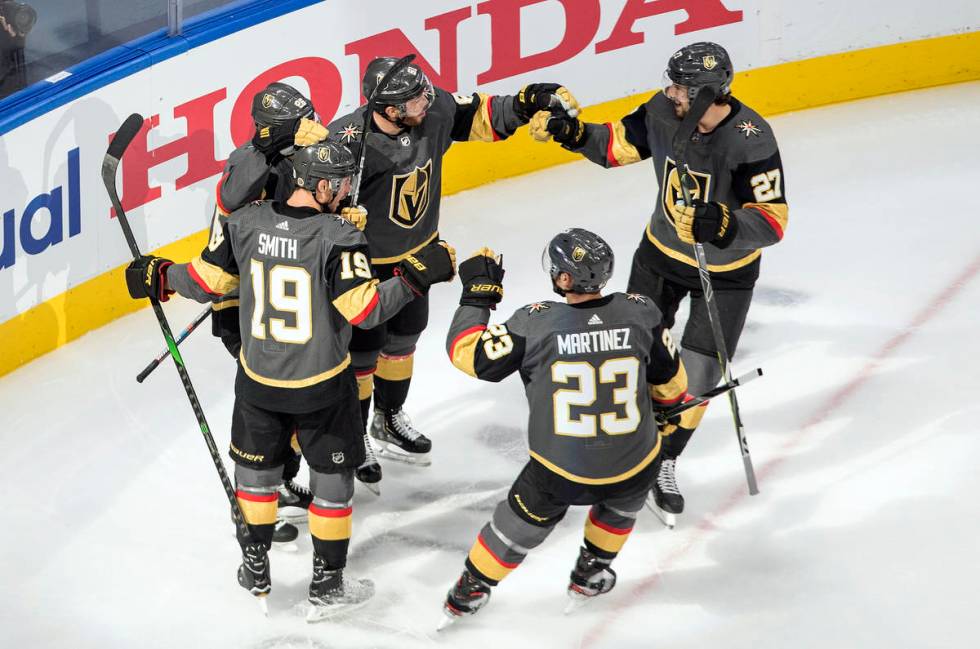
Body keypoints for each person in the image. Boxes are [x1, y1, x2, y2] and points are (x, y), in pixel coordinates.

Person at [123, 141, 456, 617]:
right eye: (341, 183)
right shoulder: (339, 236)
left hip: (258, 383)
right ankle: (327, 585)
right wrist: (413, 279)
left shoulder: (244, 222)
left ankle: (255, 567)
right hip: (322, 386)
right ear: (320, 186)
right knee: (332, 484)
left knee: (257, 479)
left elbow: (204, 283)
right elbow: (362, 311)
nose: (347, 191)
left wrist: (159, 274)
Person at [530, 42, 788, 524]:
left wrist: (723, 224)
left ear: (709, 93)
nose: (670, 92)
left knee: (700, 377)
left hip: (726, 272)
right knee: (635, 354)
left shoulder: (751, 139)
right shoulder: (662, 110)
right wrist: (572, 133)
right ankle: (630, 444)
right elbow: (617, 145)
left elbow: (773, 221)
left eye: (681, 88)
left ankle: (663, 458)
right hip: (660, 256)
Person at [327, 56, 579, 472]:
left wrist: (527, 101)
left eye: (423, 93)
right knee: (361, 359)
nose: (426, 101)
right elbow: (314, 197)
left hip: (419, 257)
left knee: (404, 342)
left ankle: (388, 419)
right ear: (390, 111)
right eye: (413, 101)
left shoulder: (432, 111)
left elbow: (481, 114)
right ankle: (355, 435)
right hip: (364, 270)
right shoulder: (347, 143)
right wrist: (335, 221)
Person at [439, 228, 689, 624]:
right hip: (634, 464)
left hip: (559, 470)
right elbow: (674, 390)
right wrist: (663, 415)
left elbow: (465, 354)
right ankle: (591, 572)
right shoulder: (641, 312)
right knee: (622, 506)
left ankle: (470, 590)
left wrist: (478, 296)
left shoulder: (534, 324)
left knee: (514, 530)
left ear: (566, 279)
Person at [208, 81, 348, 540]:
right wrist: (266, 149)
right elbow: (230, 203)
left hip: (284, 295)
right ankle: (260, 494)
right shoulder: (251, 163)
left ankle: (277, 484)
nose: (314, 125)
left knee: (284, 396)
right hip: (244, 300)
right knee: (269, 400)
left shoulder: (307, 159)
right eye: (301, 120)